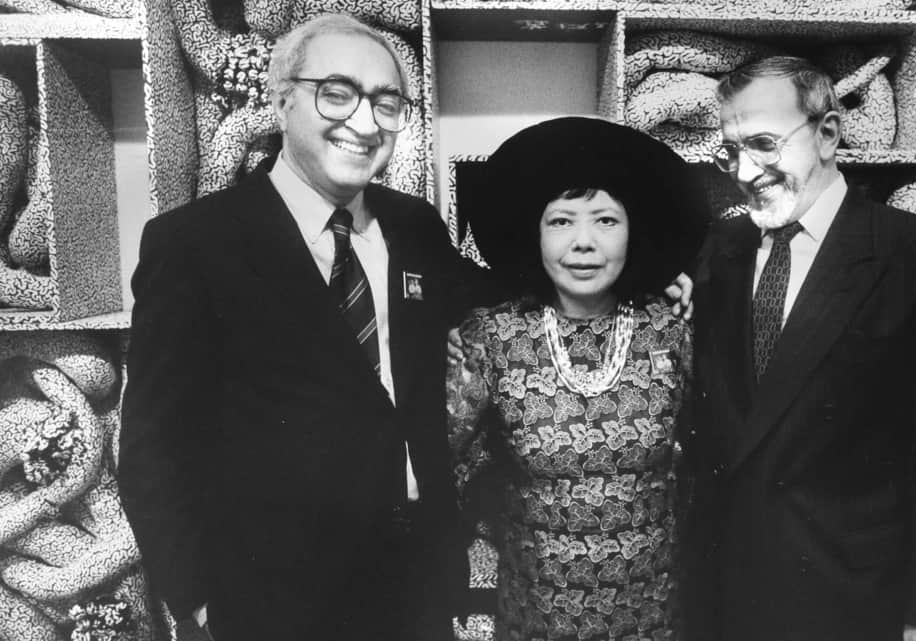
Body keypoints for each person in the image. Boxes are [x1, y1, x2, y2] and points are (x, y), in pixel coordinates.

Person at [118, 14, 481, 641]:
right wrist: (198, 601)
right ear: (282, 101)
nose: (365, 123)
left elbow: (488, 297)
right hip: (273, 599)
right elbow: (154, 444)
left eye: (386, 103)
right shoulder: (194, 244)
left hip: (414, 586)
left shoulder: (414, 225)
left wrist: (652, 275)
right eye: (336, 93)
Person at [686, 56, 916, 641]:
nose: (745, 171)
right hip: (722, 589)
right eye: (730, 151)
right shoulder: (717, 248)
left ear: (827, 134)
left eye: (765, 144)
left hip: (847, 595)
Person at [446, 117, 708, 641]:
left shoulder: (672, 328)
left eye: (606, 221)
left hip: (653, 617)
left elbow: (715, 457)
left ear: (635, 231)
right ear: (535, 233)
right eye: (561, 221)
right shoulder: (492, 334)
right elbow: (436, 458)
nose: (584, 243)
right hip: (534, 616)